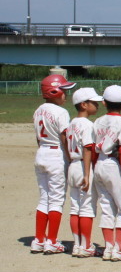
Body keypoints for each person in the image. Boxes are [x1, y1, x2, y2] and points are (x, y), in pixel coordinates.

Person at [32, 74, 77, 254]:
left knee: (44, 198)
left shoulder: (38, 110)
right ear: (54, 91)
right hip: (56, 153)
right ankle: (52, 241)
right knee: (57, 200)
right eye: (63, 91)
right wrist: (70, 156)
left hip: (41, 152)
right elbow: (64, 136)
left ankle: (39, 239)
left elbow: (37, 137)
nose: (65, 95)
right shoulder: (61, 112)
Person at [93, 85, 121, 261]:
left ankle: (108, 247)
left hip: (99, 162)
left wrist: (94, 168)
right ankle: (119, 247)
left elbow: (93, 150)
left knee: (107, 208)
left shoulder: (97, 121)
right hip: (114, 165)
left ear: (103, 103)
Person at [66, 87, 103, 257]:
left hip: (73, 164)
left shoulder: (71, 123)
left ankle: (77, 244)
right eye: (93, 102)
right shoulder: (88, 125)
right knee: (86, 207)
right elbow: (88, 149)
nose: (97, 105)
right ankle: (86, 245)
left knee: (75, 207)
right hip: (83, 165)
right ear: (83, 104)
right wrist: (87, 174)